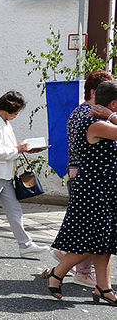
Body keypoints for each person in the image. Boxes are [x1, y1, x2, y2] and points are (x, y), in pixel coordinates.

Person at [45, 80, 117, 305]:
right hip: (94, 189)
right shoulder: (95, 123)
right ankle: (56, 274)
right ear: (113, 104)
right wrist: (111, 116)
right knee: (89, 242)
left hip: (103, 188)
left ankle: (103, 288)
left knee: (103, 242)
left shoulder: (101, 121)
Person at [0, 91, 48, 259]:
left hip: (3, 174)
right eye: (16, 111)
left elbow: (7, 149)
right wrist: (18, 149)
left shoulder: (4, 122)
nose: (16, 115)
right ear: (8, 108)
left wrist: (22, 149)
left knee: (15, 210)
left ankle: (25, 245)